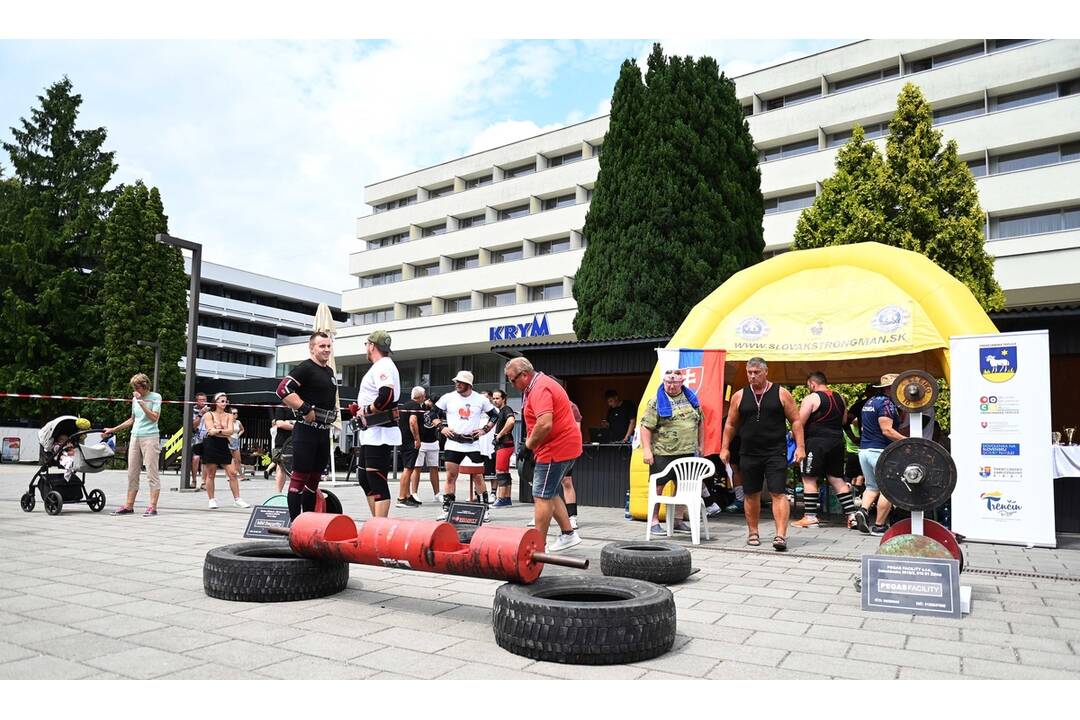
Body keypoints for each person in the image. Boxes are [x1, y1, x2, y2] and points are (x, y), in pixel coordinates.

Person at [720, 357, 805, 552]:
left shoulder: (781, 393)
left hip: (775, 451)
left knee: (778, 492)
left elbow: (796, 421)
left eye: (756, 372)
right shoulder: (740, 396)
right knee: (751, 493)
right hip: (749, 452)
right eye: (749, 372)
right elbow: (731, 424)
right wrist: (724, 447)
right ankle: (753, 532)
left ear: (766, 372)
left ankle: (780, 535)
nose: (752, 376)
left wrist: (800, 447)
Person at [505, 357, 582, 552]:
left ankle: (538, 546)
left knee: (541, 495)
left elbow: (545, 424)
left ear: (525, 374)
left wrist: (528, 447)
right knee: (550, 492)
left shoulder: (540, 388)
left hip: (555, 449)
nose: (512, 385)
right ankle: (568, 534)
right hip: (559, 447)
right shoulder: (538, 384)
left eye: (513, 380)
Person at [276, 331, 338, 520]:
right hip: (305, 432)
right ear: (312, 348)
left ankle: (308, 525)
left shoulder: (329, 371)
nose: (326, 349)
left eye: (328, 346)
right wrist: (304, 408)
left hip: (323, 433)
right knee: (299, 480)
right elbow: (282, 389)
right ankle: (295, 526)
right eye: (322, 346)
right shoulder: (305, 368)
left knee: (314, 482)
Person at [429, 370, 499, 520]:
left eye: (460, 382)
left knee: (478, 477)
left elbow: (495, 415)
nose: (457, 384)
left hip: (473, 444)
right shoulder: (448, 397)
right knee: (450, 476)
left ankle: (485, 510)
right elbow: (432, 414)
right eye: (456, 382)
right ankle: (447, 510)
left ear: (468, 384)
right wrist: (442, 427)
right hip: (453, 443)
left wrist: (485, 429)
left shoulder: (480, 399)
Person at [792, 372, 859, 528]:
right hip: (837, 441)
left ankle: (810, 517)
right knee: (836, 478)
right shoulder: (840, 398)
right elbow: (843, 421)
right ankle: (852, 516)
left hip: (816, 442)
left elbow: (799, 422)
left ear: (811, 384)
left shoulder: (811, 398)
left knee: (809, 477)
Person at [639, 367, 701, 535]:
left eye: (674, 382)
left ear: (682, 382)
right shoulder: (656, 401)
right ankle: (653, 522)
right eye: (668, 382)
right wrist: (647, 450)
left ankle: (678, 521)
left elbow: (699, 422)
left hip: (687, 452)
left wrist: (700, 445)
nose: (671, 386)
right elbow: (645, 427)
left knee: (682, 487)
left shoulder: (691, 399)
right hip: (663, 452)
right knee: (658, 487)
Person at [354, 329, 401, 519]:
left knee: (376, 479)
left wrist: (366, 410)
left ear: (372, 345)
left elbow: (386, 397)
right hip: (371, 431)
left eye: (366, 344)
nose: (366, 348)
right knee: (365, 478)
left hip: (380, 431)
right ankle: (376, 523)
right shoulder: (380, 366)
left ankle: (379, 528)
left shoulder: (384, 366)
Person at [852, 373, 905, 536]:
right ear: (891, 389)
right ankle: (879, 526)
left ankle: (863, 510)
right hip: (880, 451)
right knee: (888, 489)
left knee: (872, 486)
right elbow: (887, 430)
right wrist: (908, 441)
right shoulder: (886, 404)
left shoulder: (870, 402)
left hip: (865, 450)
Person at [104, 373, 163, 516]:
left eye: (137, 387)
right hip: (135, 436)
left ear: (145, 386)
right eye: (134, 387)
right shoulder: (134, 399)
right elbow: (132, 420)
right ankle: (129, 506)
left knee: (151, 472)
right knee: (132, 472)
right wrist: (113, 430)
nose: (135, 390)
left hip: (150, 437)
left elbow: (154, 418)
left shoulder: (156, 397)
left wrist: (143, 405)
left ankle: (152, 507)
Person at [199, 392, 250, 509]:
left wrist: (218, 430)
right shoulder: (208, 414)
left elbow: (231, 431)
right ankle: (211, 499)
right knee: (211, 474)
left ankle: (237, 499)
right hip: (211, 445)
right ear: (215, 402)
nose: (224, 403)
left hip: (224, 445)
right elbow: (210, 430)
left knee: (232, 472)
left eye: (225, 401)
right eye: (222, 401)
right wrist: (222, 430)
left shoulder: (229, 416)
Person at [396, 386, 427, 508]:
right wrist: (417, 439)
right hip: (410, 441)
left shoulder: (404, 406)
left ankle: (407, 495)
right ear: (420, 397)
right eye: (424, 396)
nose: (425, 398)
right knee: (408, 469)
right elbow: (413, 421)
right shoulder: (415, 406)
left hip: (404, 440)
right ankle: (401, 498)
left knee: (408, 468)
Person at [490, 389, 517, 508]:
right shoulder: (501, 411)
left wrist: (500, 435)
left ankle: (501, 499)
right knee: (504, 472)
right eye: (494, 398)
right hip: (504, 444)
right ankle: (506, 499)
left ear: (503, 399)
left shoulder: (506, 409)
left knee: (500, 471)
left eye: (497, 398)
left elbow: (511, 421)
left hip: (505, 444)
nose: (495, 400)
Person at [271, 404, 295, 492]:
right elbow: (280, 423)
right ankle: (278, 493)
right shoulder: (281, 407)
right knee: (281, 466)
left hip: (297, 441)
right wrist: (296, 426)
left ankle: (295, 492)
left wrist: (289, 423)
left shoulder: (301, 407)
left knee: (298, 468)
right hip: (282, 442)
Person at [190, 392, 208, 491]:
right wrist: (201, 414)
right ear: (196, 401)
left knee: (205, 460)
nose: (203, 402)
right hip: (196, 436)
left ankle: (204, 482)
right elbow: (194, 426)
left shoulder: (209, 410)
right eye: (200, 400)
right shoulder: (192, 410)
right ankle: (194, 480)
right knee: (196, 458)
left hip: (206, 436)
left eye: (204, 400)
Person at [228, 408, 245, 478]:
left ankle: (241, 475)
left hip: (235, 439)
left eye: (236, 413)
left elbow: (242, 429)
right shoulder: (228, 422)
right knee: (230, 459)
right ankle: (229, 475)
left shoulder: (238, 422)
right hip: (229, 439)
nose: (236, 414)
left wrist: (238, 435)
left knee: (238, 459)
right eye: (233, 413)